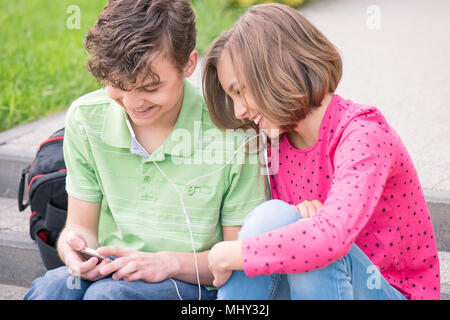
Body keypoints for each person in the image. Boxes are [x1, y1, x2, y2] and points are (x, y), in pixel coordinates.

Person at [24, 0, 266, 300]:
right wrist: (73, 248)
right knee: (52, 287)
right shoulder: (86, 118)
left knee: (108, 296)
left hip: (193, 282)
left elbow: (237, 261)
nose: (133, 102)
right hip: (114, 271)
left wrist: (167, 263)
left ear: (189, 64)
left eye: (150, 87)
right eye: (118, 85)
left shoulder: (232, 130)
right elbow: (79, 227)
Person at [204, 3, 440, 300]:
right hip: (317, 287)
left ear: (278, 69)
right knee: (276, 218)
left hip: (388, 291)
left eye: (241, 91)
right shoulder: (277, 145)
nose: (239, 111)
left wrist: (229, 253)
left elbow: (330, 238)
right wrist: (294, 223)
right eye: (231, 97)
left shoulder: (363, 134)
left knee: (309, 238)